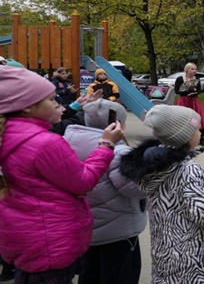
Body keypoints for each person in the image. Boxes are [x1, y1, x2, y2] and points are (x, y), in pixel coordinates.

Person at [0, 65, 123, 283]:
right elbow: (83, 183)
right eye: (51, 100)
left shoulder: (9, 135)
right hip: (51, 241)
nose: (59, 104)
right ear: (27, 107)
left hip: (27, 236)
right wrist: (105, 146)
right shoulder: (44, 143)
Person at [119, 105, 204, 284]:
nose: (200, 131)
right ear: (183, 135)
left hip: (166, 250)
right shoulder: (189, 170)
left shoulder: (154, 167)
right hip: (194, 256)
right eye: (196, 128)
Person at [63, 99, 147, 284]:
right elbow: (136, 189)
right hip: (118, 231)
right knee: (119, 275)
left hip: (85, 227)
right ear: (117, 124)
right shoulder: (118, 152)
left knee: (89, 272)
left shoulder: (66, 142)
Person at [174, 62, 204, 146]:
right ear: (187, 70)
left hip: (194, 100)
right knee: (183, 118)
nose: (194, 71)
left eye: (195, 69)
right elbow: (177, 90)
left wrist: (195, 93)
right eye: (192, 69)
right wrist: (187, 91)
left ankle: (201, 137)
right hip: (184, 100)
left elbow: (199, 90)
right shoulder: (180, 79)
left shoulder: (196, 78)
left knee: (199, 117)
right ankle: (183, 138)